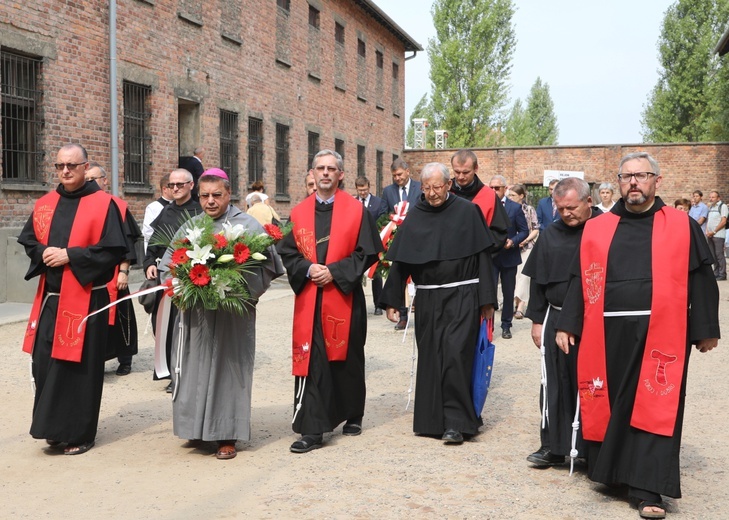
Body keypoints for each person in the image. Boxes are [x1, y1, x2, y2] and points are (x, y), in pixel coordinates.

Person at [556, 152, 719, 519]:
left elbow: (702, 277)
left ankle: (649, 489)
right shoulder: (597, 227)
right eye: (626, 176)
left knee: (656, 406)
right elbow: (579, 279)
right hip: (607, 330)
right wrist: (568, 322)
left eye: (641, 175)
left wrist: (706, 328)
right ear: (618, 181)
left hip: (663, 331)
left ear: (656, 181)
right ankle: (613, 473)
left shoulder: (681, 224)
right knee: (612, 402)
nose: (633, 182)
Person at [158, 168, 284, 460]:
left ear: (229, 194)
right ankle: (196, 428)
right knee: (193, 368)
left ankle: (226, 434)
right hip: (196, 315)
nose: (210, 201)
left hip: (231, 315)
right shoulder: (192, 226)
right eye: (205, 196)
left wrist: (230, 286)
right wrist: (182, 283)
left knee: (228, 370)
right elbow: (170, 264)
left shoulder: (247, 225)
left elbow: (266, 267)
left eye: (217, 195)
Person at [18, 143, 128, 455]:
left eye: (72, 165)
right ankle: (53, 429)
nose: (65, 171)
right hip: (51, 300)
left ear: (85, 167)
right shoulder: (45, 204)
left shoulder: (103, 204)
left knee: (79, 369)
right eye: (60, 166)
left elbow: (112, 250)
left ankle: (80, 434)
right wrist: (45, 253)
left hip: (86, 299)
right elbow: (28, 240)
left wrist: (71, 256)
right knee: (45, 365)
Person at [380, 162, 497, 444]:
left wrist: (487, 300)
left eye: (437, 187)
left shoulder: (468, 212)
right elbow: (401, 262)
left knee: (456, 355)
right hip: (429, 298)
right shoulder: (416, 215)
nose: (432, 194)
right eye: (427, 188)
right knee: (431, 356)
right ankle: (432, 421)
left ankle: (457, 423)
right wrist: (392, 300)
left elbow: (483, 258)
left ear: (448, 185)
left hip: (463, 296)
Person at [277, 150, 382, 454]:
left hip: (343, 296)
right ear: (312, 173)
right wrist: (310, 269)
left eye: (331, 169)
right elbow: (289, 252)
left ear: (341, 175)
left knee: (348, 358)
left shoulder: (356, 211)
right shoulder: (298, 213)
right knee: (315, 361)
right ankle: (313, 429)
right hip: (311, 297)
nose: (325, 173)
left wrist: (334, 273)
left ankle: (353, 412)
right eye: (320, 168)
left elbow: (367, 253)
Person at [522, 177, 600, 468]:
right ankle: (553, 445)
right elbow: (539, 281)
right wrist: (537, 321)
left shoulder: (605, 228)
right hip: (555, 316)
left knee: (592, 384)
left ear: (588, 201)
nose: (566, 213)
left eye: (572, 207)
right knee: (554, 383)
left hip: (593, 321)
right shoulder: (551, 233)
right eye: (560, 207)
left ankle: (593, 450)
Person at [144, 168, 203, 390]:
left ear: (191, 185)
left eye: (180, 184)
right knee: (165, 326)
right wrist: (149, 263)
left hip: (190, 279)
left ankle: (187, 372)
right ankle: (170, 370)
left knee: (187, 326)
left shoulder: (200, 211)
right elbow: (153, 244)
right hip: (165, 278)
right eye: (171, 185)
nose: (175, 188)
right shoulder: (166, 211)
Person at [85, 162, 142, 376]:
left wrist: (124, 271)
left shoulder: (116, 205)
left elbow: (127, 242)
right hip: (91, 274)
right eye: (87, 180)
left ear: (105, 181)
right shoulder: (81, 206)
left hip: (114, 274)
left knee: (121, 317)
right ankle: (96, 359)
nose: (90, 183)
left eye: (94, 179)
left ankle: (124, 359)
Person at [382, 158, 422, 330]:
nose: (397, 178)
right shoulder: (388, 191)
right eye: (394, 176)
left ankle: (420, 311)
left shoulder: (419, 188)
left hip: (418, 238)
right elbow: (384, 213)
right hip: (397, 240)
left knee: (417, 277)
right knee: (400, 276)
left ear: (407, 171)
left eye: (399, 174)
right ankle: (403, 315)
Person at [489, 175, 528, 339]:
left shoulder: (515, 208)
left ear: (505, 188)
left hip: (508, 256)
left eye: (496, 188)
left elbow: (524, 230)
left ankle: (506, 325)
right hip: (490, 256)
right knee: (489, 292)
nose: (493, 191)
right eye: (490, 188)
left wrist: (513, 241)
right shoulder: (485, 205)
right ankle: (488, 327)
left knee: (507, 292)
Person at [449, 149, 509, 250]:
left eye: (466, 172)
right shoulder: (444, 192)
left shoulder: (489, 196)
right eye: (457, 172)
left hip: (477, 259)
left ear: (476, 168)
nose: (460, 177)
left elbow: (499, 235)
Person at [355, 176, 387, 315]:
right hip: (356, 245)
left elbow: (382, 220)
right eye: (360, 190)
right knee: (356, 274)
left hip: (373, 243)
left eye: (365, 190)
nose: (363, 193)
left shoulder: (378, 202)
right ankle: (357, 305)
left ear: (369, 187)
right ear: (356, 189)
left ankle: (378, 304)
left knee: (376, 275)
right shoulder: (352, 202)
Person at [507, 184, 539, 319]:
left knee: (524, 276)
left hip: (527, 247)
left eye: (513, 195)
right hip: (512, 247)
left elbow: (536, 228)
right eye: (509, 195)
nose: (510, 198)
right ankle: (514, 301)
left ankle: (520, 306)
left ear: (521, 196)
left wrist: (525, 241)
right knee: (514, 276)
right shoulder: (506, 208)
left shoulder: (529, 210)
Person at [142, 173, 173, 252]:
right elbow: (148, 232)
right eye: (172, 186)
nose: (175, 189)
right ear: (164, 189)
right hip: (157, 249)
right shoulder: (153, 207)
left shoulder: (178, 206)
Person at [706, 190, 728, 280]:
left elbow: (723, 221)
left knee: (719, 255)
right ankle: (716, 273)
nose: (711, 199)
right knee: (713, 255)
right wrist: (707, 231)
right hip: (710, 235)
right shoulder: (711, 207)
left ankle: (722, 274)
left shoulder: (722, 207)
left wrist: (714, 231)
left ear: (718, 198)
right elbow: (709, 220)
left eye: (713, 197)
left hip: (718, 235)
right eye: (710, 197)